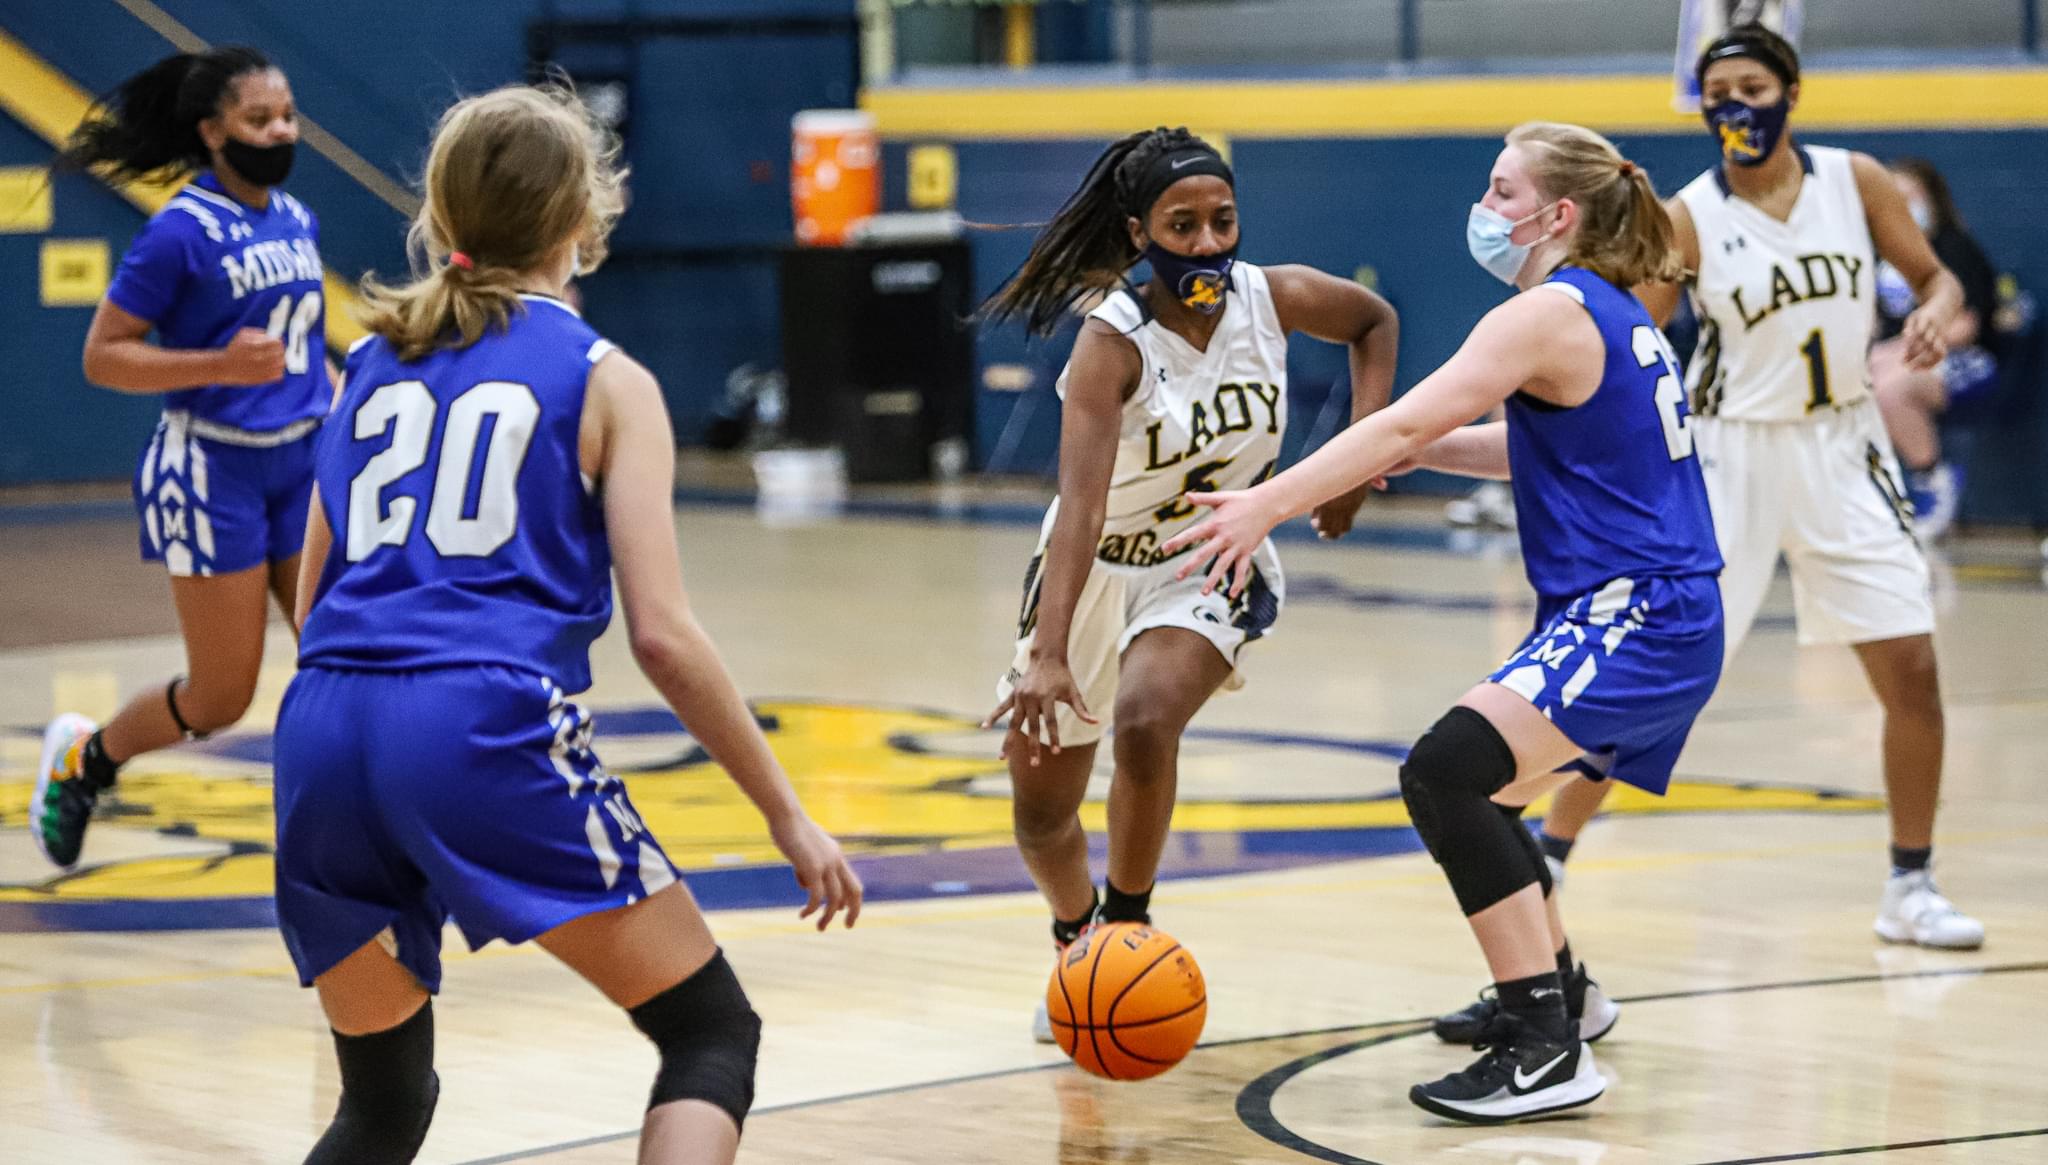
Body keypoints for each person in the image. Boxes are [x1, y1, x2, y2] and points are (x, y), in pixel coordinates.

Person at [272, 85, 861, 1164]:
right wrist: (787, 814)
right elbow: (663, 638)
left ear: (441, 220)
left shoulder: (363, 366)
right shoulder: (606, 380)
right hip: (475, 721)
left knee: (383, 1104)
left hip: (320, 727)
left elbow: (310, 604)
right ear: (583, 221)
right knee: (707, 1029)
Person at [1165, 122, 1718, 1123]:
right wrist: (1432, 456)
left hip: (1637, 612)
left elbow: (1400, 418)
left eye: (1500, 191)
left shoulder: (1545, 310)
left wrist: (1264, 503)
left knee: (1444, 772)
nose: (1483, 209)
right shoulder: (1607, 308)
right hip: (1660, 610)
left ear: (1557, 215)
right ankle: (1567, 998)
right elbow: (1534, 446)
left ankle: (1542, 1042)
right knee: (1488, 783)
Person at [1530, 25, 1984, 953]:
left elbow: (1935, 281)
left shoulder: (1855, 183)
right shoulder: (1689, 214)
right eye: (1717, 90)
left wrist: (1934, 319)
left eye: (1751, 86)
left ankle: (1911, 883)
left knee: (1914, 672)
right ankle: (1549, 854)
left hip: (1844, 444)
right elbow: (1633, 344)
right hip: (1728, 456)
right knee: (1657, 681)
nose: (1734, 104)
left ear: (1791, 93)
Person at [978, 127, 1400, 1042]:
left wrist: (1352, 466)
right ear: (1140, 234)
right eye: (1183, 224)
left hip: (1208, 554)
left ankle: (1127, 931)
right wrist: (1048, 654)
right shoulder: (1111, 342)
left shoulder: (1274, 297)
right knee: (1042, 811)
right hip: (1091, 564)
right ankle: (1076, 936)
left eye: (1223, 220)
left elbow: (1375, 323)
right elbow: (1081, 514)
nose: (1209, 243)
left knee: (1145, 717)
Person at [34, 46, 329, 870]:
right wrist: (217, 366)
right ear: (212, 132)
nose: (280, 131)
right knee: (222, 696)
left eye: (287, 115)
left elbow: (303, 352)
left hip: (300, 462)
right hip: (215, 470)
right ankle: (86, 759)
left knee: (346, 648)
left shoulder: (296, 219)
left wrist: (343, 412)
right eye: (259, 119)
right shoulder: (177, 232)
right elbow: (105, 355)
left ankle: (357, 828)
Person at [1870, 157, 2003, 540]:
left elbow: (1965, 325)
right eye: (1895, 196)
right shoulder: (1884, 254)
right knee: (1860, 378)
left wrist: (1899, 351)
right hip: (1901, 354)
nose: (1904, 204)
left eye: (1912, 195)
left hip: (1967, 360)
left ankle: (1932, 481)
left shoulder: (1955, 248)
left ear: (1932, 199)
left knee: (1890, 387)